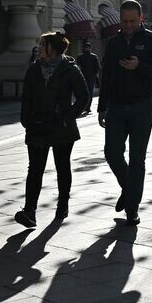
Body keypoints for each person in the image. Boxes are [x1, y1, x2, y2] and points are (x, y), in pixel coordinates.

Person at [99, 0, 152, 226]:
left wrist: (139, 66)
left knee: (137, 158)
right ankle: (129, 188)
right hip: (117, 106)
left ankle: (132, 208)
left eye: (132, 21)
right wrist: (102, 106)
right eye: (124, 21)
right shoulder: (114, 43)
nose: (128, 25)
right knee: (111, 153)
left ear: (141, 18)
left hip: (142, 105)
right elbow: (107, 75)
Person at [15, 31, 89, 227]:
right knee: (35, 169)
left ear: (54, 49)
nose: (39, 48)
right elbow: (27, 98)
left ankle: (63, 203)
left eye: (43, 45)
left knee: (62, 167)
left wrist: (68, 116)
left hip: (62, 127)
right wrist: (26, 120)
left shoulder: (70, 69)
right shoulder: (33, 69)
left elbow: (84, 96)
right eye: (39, 45)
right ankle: (29, 211)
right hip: (37, 126)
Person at [76, 39, 101, 116]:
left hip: (82, 76)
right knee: (89, 92)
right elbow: (97, 67)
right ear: (90, 48)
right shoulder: (94, 56)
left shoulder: (80, 56)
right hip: (90, 77)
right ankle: (88, 107)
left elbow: (77, 66)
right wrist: (94, 74)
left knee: (82, 92)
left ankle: (83, 106)